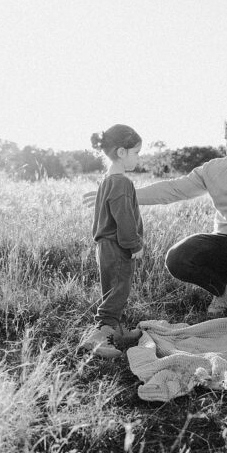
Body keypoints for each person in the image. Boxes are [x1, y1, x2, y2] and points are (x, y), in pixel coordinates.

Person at [95, 109, 227, 325]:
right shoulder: (214, 168)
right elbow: (175, 189)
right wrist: (122, 196)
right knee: (177, 257)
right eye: (226, 139)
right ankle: (222, 287)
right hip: (224, 241)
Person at [80, 125, 144, 358]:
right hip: (118, 247)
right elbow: (124, 219)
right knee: (119, 289)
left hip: (104, 247)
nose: (138, 157)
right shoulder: (122, 182)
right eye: (136, 152)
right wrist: (134, 245)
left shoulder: (106, 181)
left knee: (112, 290)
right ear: (121, 152)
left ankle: (115, 331)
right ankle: (99, 337)